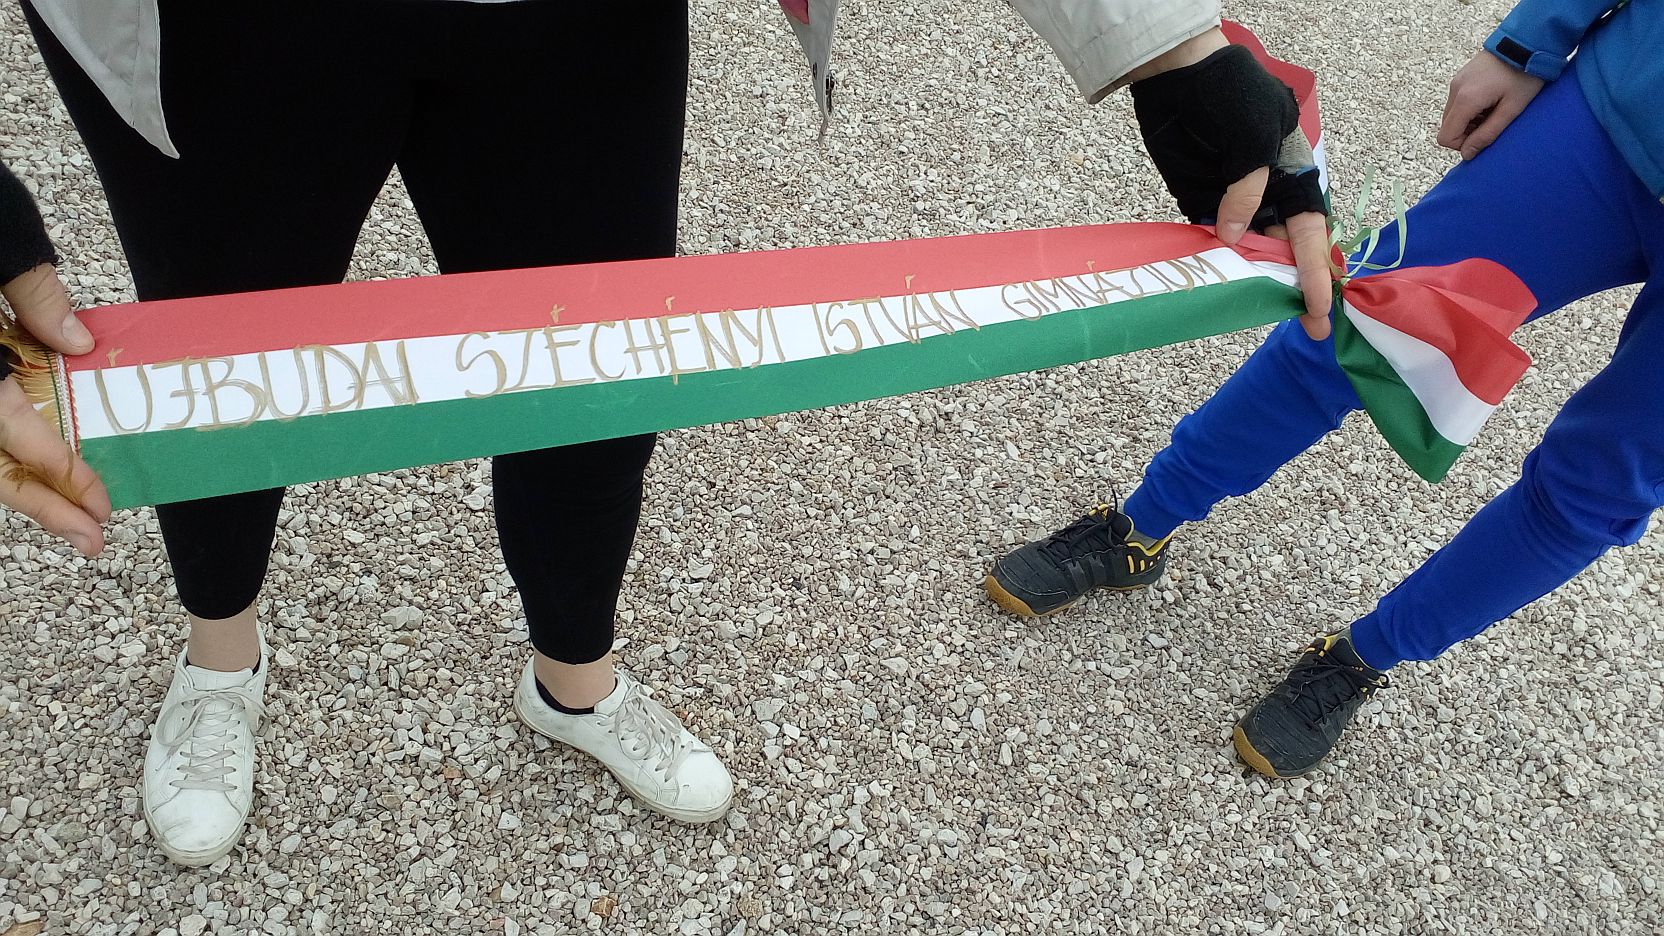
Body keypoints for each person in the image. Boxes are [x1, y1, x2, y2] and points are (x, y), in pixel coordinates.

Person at [3, 0, 1326, 865]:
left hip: (564, 27)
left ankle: (571, 676)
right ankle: (220, 660)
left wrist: (1170, 48)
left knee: (602, 383)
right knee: (215, 384)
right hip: (222, 31)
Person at [986, 0, 1664, 778]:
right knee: (1349, 322)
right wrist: (1529, 40)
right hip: (1629, 105)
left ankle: (1363, 657)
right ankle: (1139, 528)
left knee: (1601, 488)